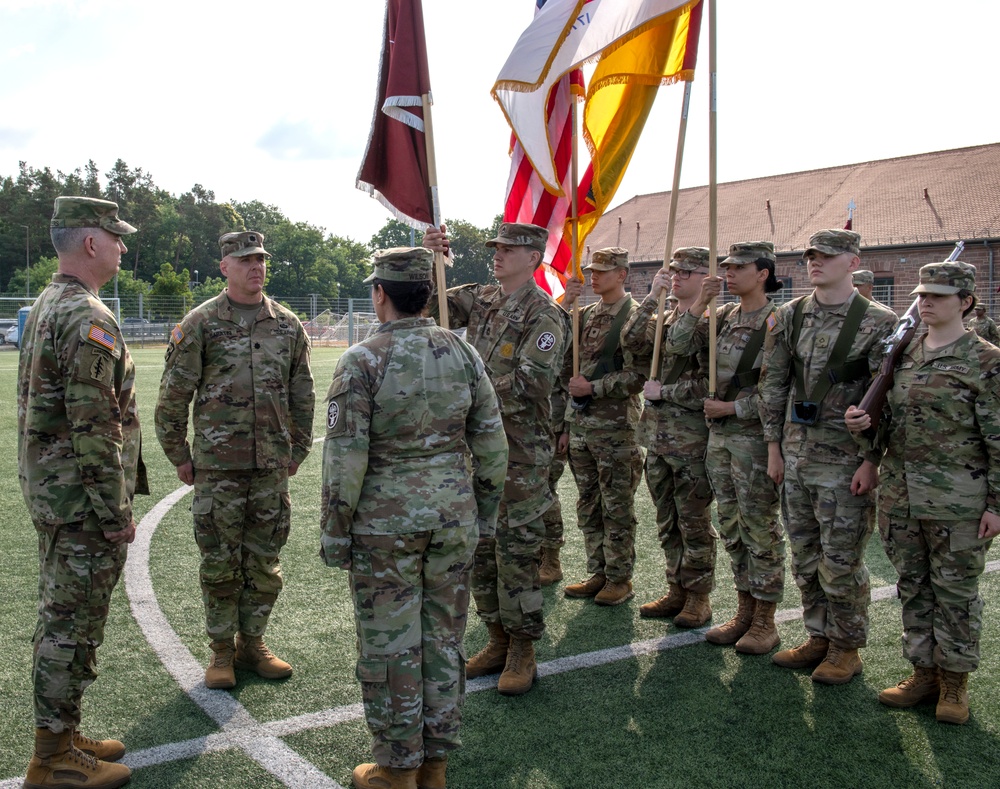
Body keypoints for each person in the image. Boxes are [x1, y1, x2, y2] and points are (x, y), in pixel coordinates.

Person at [321, 248, 508, 789]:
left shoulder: (362, 359)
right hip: (453, 517)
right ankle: (436, 763)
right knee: (443, 638)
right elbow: (493, 446)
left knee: (389, 643)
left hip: (386, 525)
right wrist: (485, 515)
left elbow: (345, 458)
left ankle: (397, 768)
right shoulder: (463, 353)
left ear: (380, 293)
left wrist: (335, 533)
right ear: (426, 293)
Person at [18, 196, 145, 789]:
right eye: (115, 236)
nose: (122, 246)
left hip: (55, 493)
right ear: (90, 243)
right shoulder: (88, 315)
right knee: (72, 624)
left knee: (64, 617)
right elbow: (94, 425)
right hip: (81, 502)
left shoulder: (47, 303)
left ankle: (63, 732)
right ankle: (51, 757)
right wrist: (116, 511)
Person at [155, 230, 314, 690]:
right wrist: (179, 455)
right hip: (217, 469)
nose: (256, 267)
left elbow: (302, 393)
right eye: (245, 260)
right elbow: (173, 397)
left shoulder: (286, 324)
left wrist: (298, 450)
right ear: (224, 266)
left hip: (269, 468)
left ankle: (254, 643)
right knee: (220, 562)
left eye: (260, 259)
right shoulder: (200, 323)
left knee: (264, 560)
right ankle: (221, 651)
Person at [846, 260, 1000, 725]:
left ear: (965, 303)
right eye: (921, 294)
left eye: (937, 295)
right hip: (900, 495)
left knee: (954, 592)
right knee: (912, 588)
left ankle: (954, 684)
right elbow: (887, 422)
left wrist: (997, 503)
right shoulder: (903, 352)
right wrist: (864, 440)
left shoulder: (986, 359)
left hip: (960, 501)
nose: (925, 301)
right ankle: (923, 673)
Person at [423, 222, 568, 696]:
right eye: (497, 247)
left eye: (511, 249)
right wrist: (431, 258)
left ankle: (523, 649)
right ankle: (497, 638)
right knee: (479, 551)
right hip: (475, 455)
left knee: (517, 555)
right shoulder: (483, 298)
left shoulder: (545, 315)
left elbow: (531, 384)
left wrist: (469, 393)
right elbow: (429, 302)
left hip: (520, 457)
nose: (499, 254)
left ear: (534, 258)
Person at [759, 229, 897, 684]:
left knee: (841, 562)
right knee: (804, 556)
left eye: (828, 257)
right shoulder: (788, 316)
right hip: (796, 456)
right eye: (811, 257)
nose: (815, 263)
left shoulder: (879, 321)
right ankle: (817, 636)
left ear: (853, 262)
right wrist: (774, 448)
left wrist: (871, 459)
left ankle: (846, 647)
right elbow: (774, 385)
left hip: (844, 460)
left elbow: (888, 398)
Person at [665, 242, 785, 654]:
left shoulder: (778, 321)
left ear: (763, 273)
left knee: (759, 529)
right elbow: (677, 345)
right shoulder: (723, 316)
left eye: (739, 267)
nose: (729, 273)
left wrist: (734, 406)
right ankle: (744, 611)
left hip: (753, 439)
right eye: (727, 267)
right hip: (720, 440)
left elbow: (778, 391)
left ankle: (765, 621)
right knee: (731, 526)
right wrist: (700, 301)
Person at [621, 248, 716, 628]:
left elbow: (711, 383)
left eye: (686, 272)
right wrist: (649, 297)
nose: (676, 276)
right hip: (658, 437)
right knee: (666, 520)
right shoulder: (662, 316)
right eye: (673, 270)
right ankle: (676, 587)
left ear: (705, 278)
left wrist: (669, 393)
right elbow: (630, 340)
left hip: (690, 438)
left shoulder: (710, 322)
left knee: (693, 521)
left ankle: (698, 596)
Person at [560, 247, 646, 605]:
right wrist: (566, 300)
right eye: (592, 271)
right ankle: (598, 571)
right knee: (588, 504)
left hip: (616, 429)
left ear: (622, 275)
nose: (594, 277)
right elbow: (562, 355)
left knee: (617, 507)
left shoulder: (636, 317)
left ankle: (619, 578)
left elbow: (639, 375)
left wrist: (595, 387)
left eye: (602, 271)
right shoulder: (585, 315)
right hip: (582, 427)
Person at [539, 375, 570, 586]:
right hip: (519, 427)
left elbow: (570, 384)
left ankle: (551, 560)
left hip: (552, 427)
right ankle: (535, 556)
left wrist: (567, 430)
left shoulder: (555, 342)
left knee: (545, 490)